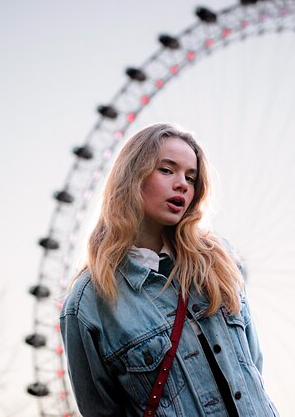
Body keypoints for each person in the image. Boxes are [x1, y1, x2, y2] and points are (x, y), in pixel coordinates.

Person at [60, 123, 278, 416]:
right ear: (131, 176)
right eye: (166, 170)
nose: (182, 184)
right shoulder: (89, 304)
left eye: (191, 177)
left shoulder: (220, 263)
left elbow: (253, 369)